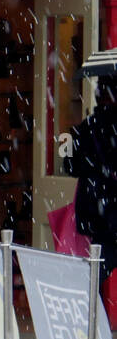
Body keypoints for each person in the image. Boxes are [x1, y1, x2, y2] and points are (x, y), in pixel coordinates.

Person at [73, 76, 117, 285]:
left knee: (93, 275)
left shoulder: (87, 126)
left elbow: (70, 166)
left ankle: (89, 314)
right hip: (110, 211)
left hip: (95, 211)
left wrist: (92, 167)